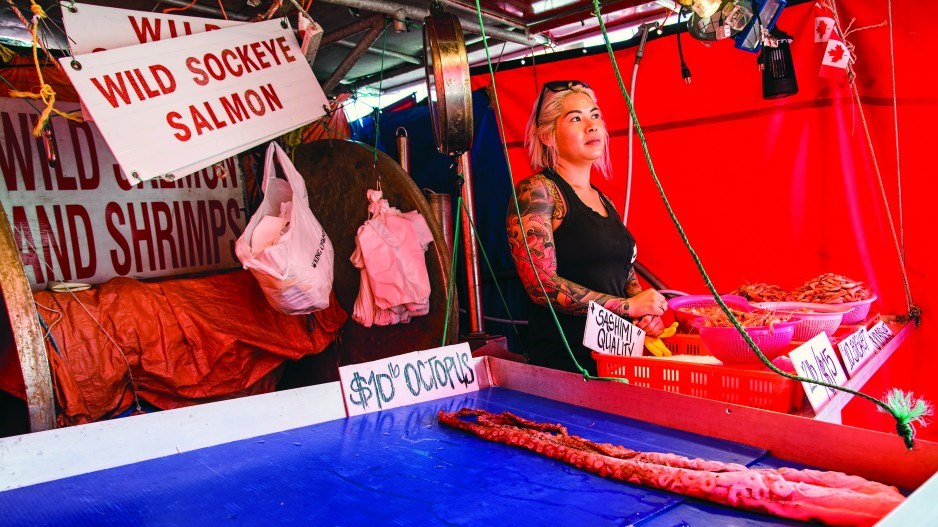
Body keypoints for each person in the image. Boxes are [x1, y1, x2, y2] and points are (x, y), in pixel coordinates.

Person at [506, 80, 667, 375]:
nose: (592, 126)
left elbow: (624, 274)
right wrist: (628, 307)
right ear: (547, 135)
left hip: (616, 365)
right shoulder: (539, 191)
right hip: (565, 368)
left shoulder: (605, 200)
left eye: (595, 116)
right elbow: (542, 286)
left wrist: (645, 314)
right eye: (576, 118)